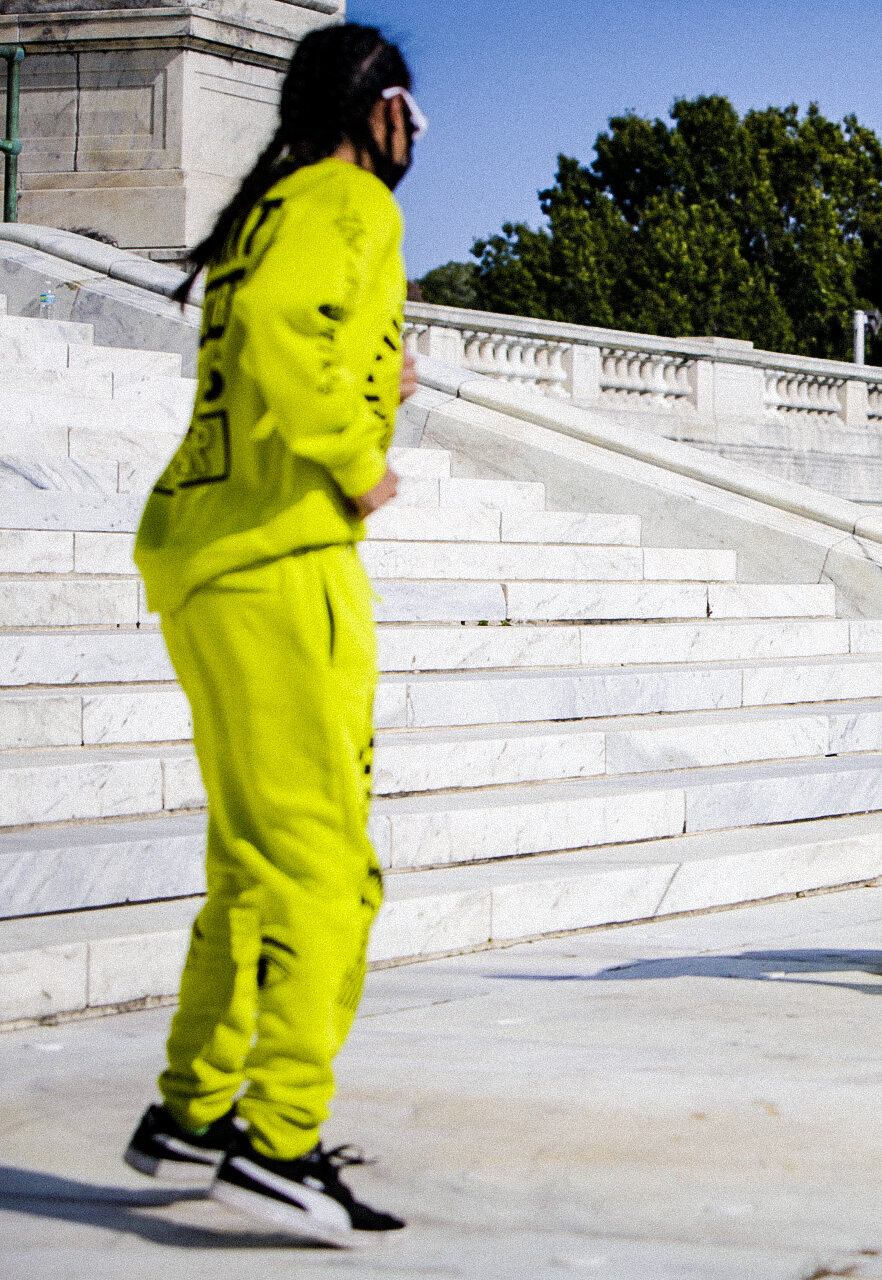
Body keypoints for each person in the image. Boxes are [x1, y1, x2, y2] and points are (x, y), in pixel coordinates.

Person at [118, 23, 424, 1248]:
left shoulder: (270, 209)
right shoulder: (349, 199)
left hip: (203, 546)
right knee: (325, 869)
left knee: (254, 855)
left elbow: (287, 330)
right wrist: (358, 460)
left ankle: (194, 1108)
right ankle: (279, 1133)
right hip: (284, 552)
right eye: (414, 112)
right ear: (379, 110)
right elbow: (289, 337)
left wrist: (378, 377)